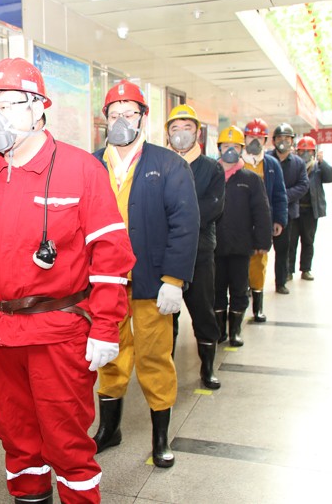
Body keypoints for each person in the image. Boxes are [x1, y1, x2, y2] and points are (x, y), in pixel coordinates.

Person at [0, 58, 135, 504]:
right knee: (16, 440)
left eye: (7, 104)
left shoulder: (80, 169)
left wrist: (105, 326)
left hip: (60, 332)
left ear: (38, 108)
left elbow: (110, 257)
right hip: (1, 333)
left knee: (67, 444)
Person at [91, 80, 199, 468]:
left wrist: (174, 280)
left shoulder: (168, 164)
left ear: (143, 118)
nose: (122, 121)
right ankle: (109, 429)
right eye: (114, 114)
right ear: (105, 119)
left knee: (155, 356)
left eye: (130, 113)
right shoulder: (91, 165)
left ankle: (160, 437)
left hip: (152, 282)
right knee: (109, 354)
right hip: (105, 283)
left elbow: (185, 225)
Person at [166, 104, 224, 389]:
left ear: (198, 132)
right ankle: (166, 371)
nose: (181, 133)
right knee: (167, 314)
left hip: (200, 252)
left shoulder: (212, 168)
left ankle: (208, 368)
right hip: (167, 253)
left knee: (203, 310)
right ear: (167, 134)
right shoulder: (161, 164)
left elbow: (214, 207)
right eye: (175, 128)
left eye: (187, 128)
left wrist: (177, 217)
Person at [213, 126, 272, 346]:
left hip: (241, 245)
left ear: (241, 149)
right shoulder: (211, 176)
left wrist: (263, 241)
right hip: (215, 246)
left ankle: (235, 330)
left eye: (235, 146)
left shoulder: (251, 179)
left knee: (239, 289)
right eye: (226, 146)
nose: (230, 150)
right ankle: (220, 330)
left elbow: (262, 212)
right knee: (217, 289)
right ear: (219, 148)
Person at [241, 119, 287, 322]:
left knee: (259, 264)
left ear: (266, 140)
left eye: (259, 138)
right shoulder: (234, 161)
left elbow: (279, 194)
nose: (254, 141)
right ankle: (237, 307)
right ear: (244, 138)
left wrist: (279, 220)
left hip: (261, 222)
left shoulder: (271, 165)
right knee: (236, 264)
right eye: (251, 137)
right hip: (237, 223)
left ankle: (257, 308)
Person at [288, 135, 332, 281]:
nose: (305, 154)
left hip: (310, 211)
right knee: (291, 242)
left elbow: (331, 177)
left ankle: (306, 269)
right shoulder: (294, 166)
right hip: (294, 210)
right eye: (302, 151)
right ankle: (289, 271)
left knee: (308, 241)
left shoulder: (317, 167)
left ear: (313, 152)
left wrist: (323, 162)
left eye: (308, 151)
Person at [267, 123, 308, 294]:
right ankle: (251, 285)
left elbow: (303, 185)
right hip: (265, 211)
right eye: (279, 138)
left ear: (292, 141)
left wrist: (282, 196)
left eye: (287, 138)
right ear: (273, 141)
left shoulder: (298, 163)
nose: (283, 141)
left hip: (287, 213)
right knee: (256, 251)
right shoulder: (266, 160)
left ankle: (281, 282)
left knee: (283, 249)